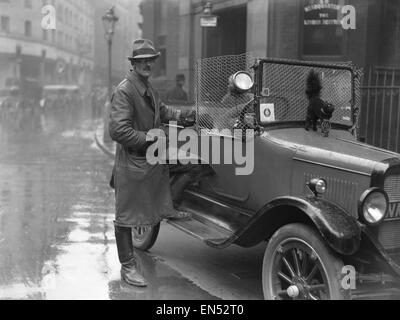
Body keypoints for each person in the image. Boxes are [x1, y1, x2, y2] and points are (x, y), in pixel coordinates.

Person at [108, 39, 195, 288]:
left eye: (150, 60)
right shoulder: (125, 90)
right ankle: (128, 266)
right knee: (125, 217)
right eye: (141, 61)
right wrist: (153, 138)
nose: (147, 64)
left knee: (192, 164)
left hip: (148, 159)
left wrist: (186, 115)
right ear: (133, 64)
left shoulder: (146, 85)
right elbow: (118, 131)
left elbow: (163, 110)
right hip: (133, 162)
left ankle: (167, 209)